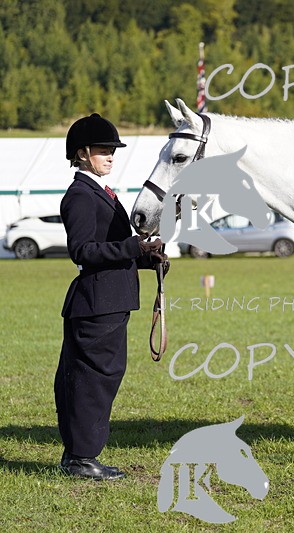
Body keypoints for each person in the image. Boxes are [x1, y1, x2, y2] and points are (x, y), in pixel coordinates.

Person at [56, 113, 166, 480]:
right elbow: (84, 251)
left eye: (112, 151)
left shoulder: (99, 192)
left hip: (109, 300)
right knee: (93, 379)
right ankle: (82, 458)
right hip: (97, 302)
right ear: (82, 153)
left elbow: (109, 248)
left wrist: (148, 258)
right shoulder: (81, 196)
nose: (110, 156)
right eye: (104, 150)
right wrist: (134, 245)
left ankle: (79, 455)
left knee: (100, 376)